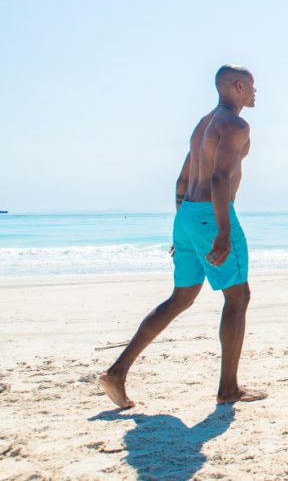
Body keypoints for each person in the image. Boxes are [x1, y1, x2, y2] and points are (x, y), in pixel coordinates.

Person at [99, 65, 267, 407]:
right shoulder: (234, 124)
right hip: (211, 214)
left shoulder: (203, 124)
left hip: (188, 213)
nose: (255, 90)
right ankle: (228, 389)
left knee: (181, 298)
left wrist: (183, 229)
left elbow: (181, 181)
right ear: (237, 85)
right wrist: (222, 231)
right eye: (251, 84)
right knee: (238, 299)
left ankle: (117, 372)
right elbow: (220, 178)